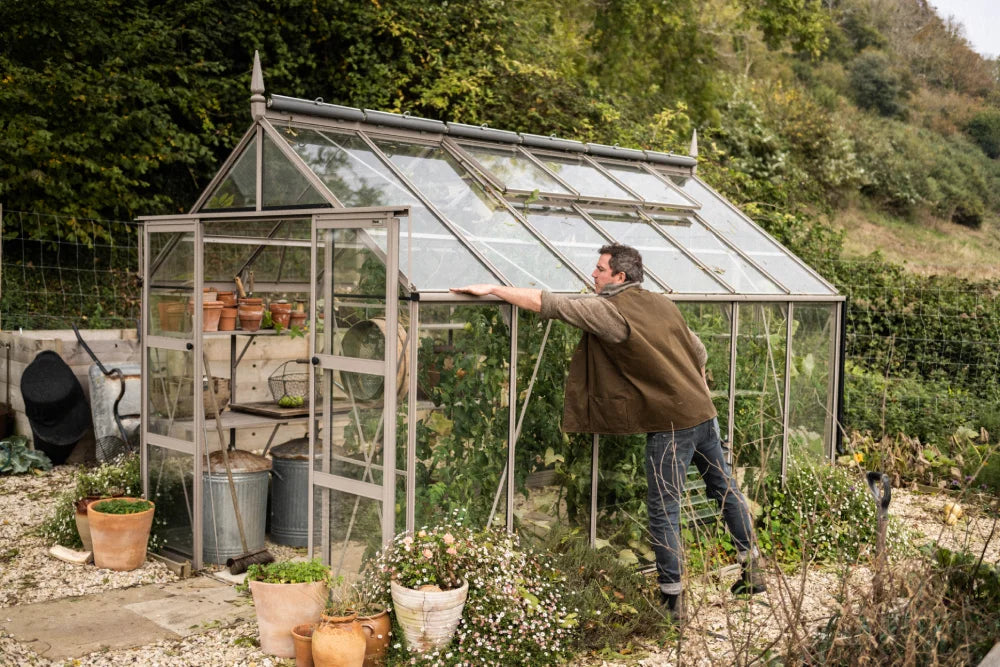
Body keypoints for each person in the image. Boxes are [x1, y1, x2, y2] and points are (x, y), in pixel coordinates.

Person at [451, 243, 765, 622]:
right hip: (703, 413)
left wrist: (495, 289)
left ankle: (672, 602)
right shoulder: (661, 303)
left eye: (600, 269)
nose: (593, 274)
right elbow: (699, 352)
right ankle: (753, 572)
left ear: (620, 277)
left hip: (671, 425)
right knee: (725, 489)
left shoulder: (608, 310)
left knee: (664, 509)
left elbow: (547, 303)